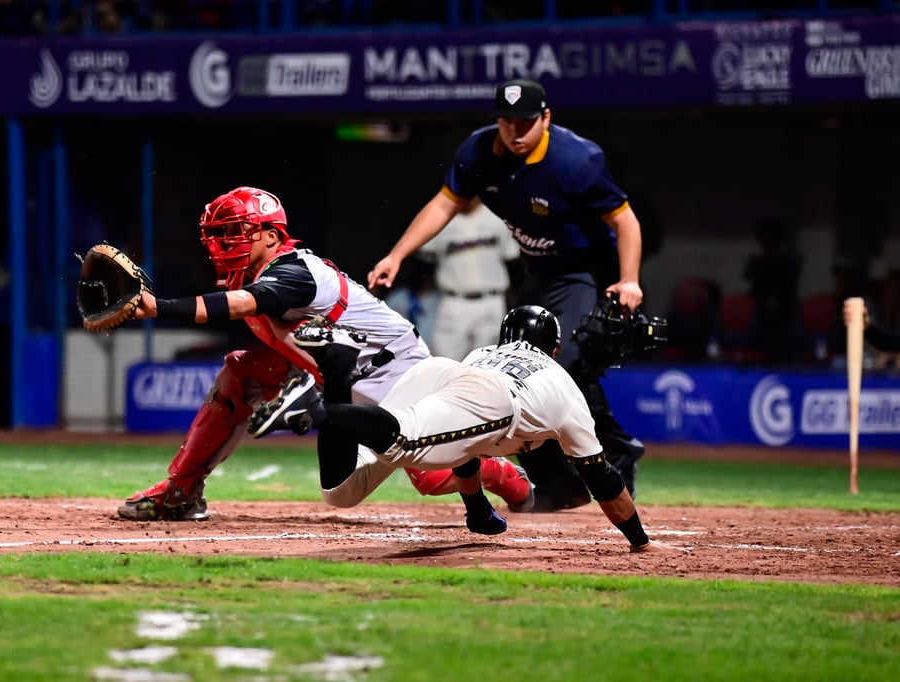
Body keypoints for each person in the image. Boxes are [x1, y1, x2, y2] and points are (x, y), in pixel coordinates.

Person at [117, 186, 532, 521]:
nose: (225, 242)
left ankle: (502, 473)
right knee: (240, 372)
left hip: (395, 375)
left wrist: (159, 306)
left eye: (237, 231)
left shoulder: (294, 272)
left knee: (430, 474)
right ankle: (181, 490)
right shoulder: (254, 275)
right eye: (220, 234)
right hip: (339, 373)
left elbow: (244, 304)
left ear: (272, 236)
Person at [367, 79, 647, 512]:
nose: (516, 131)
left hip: (580, 273)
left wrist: (629, 280)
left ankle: (613, 449)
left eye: (526, 122)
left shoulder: (575, 160)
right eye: (507, 121)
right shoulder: (480, 151)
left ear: (546, 118)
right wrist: (397, 255)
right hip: (537, 272)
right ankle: (560, 482)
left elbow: (625, 221)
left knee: (565, 362)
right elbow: (444, 204)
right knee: (513, 372)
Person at [249, 306, 679, 553]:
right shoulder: (562, 386)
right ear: (554, 347)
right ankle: (316, 408)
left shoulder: (485, 350)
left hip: (443, 369)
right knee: (401, 442)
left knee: (342, 489)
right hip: (493, 398)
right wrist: (640, 541)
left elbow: (467, 449)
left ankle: (337, 373)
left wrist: (476, 509)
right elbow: (602, 478)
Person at [419, 197, 520, 361]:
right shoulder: (440, 219)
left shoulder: (497, 216)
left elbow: (511, 255)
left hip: (492, 299)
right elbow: (424, 252)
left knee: (489, 365)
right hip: (453, 300)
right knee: (445, 364)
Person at [742, 217, 801, 363]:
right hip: (759, 315)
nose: (767, 243)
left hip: (782, 316)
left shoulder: (788, 263)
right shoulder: (756, 262)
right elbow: (748, 277)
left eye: (771, 239)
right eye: (764, 239)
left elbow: (788, 290)